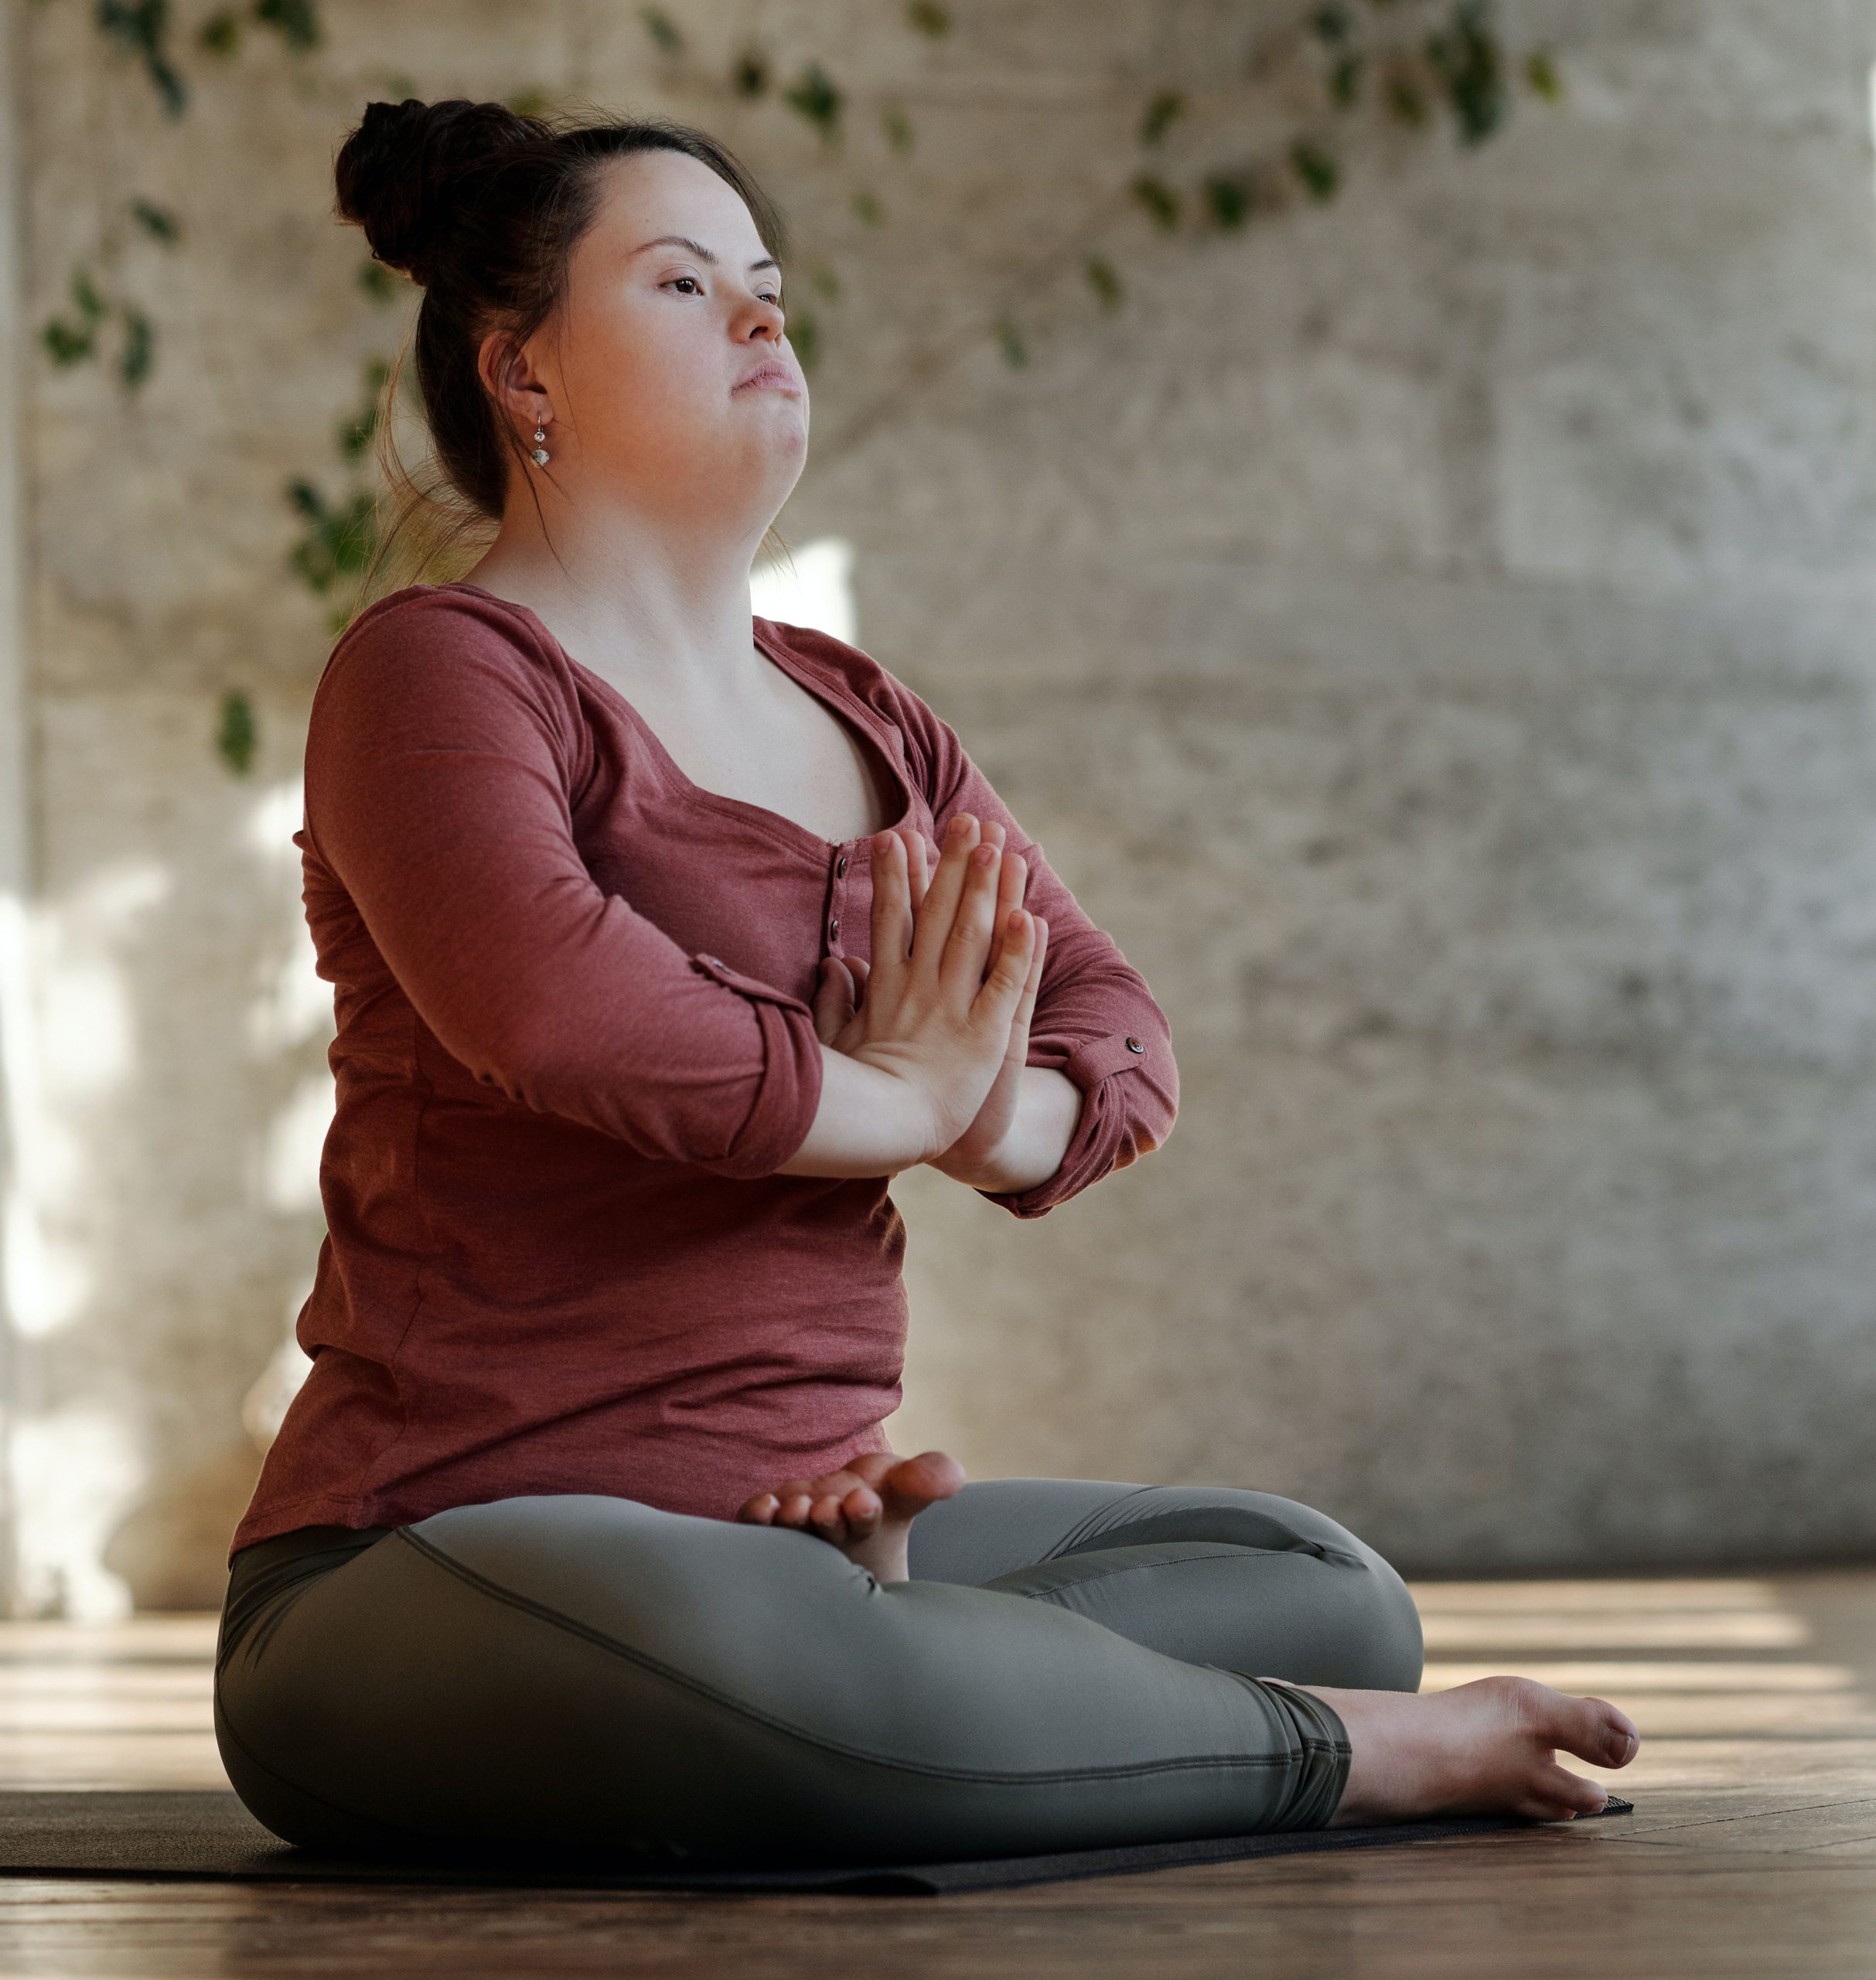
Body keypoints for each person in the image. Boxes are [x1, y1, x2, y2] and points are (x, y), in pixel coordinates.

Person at [213, 97, 1639, 1867]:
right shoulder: (437, 674)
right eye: (682, 283)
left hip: (806, 1532)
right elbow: (563, 1009)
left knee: (1323, 1588)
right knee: (771, 1656)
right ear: (523, 374)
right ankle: (1326, 1756)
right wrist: (892, 1096)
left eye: (767, 286)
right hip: (434, 1555)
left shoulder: (862, 712)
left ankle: (932, 1656)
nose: (759, 320)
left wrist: (973, 1106)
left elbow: (1109, 1031)